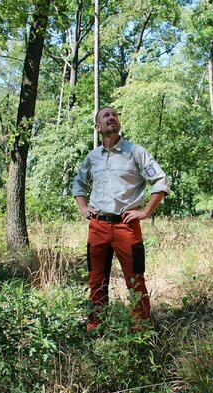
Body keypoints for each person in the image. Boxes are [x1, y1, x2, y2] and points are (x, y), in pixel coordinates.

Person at [72, 106, 170, 331]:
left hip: (126, 227)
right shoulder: (92, 157)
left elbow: (161, 182)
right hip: (97, 226)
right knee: (96, 279)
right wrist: (83, 207)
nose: (111, 118)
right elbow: (78, 182)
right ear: (98, 127)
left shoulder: (135, 152)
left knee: (135, 279)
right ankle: (96, 324)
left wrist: (145, 211)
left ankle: (141, 328)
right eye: (106, 116)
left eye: (114, 115)